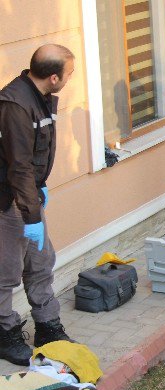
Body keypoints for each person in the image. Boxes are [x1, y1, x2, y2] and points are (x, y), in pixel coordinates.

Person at [0, 44, 76, 366]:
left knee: (41, 263)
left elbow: (35, 155)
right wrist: (31, 214)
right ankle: (5, 334)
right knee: (6, 273)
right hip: (9, 202)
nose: (70, 79)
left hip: (29, 198)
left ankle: (47, 326)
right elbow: (17, 166)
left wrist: (40, 187)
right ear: (55, 76)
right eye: (70, 74)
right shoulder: (16, 104)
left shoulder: (39, 98)